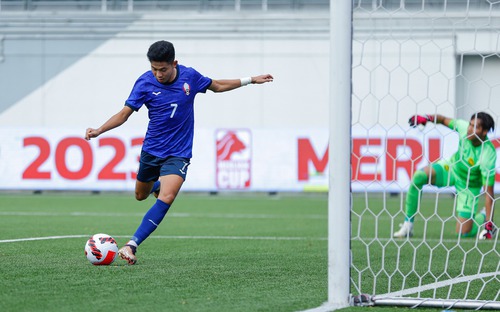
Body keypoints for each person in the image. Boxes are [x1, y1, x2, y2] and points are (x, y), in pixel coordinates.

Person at [85, 40, 273, 264]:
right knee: (140, 195)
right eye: (154, 69)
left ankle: (131, 245)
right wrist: (99, 130)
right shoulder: (144, 82)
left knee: (168, 196)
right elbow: (124, 113)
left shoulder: (189, 77)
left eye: (163, 69)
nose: (158, 74)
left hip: (179, 152)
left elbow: (217, 86)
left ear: (174, 63)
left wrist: (250, 80)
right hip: (152, 150)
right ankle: (157, 185)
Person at [394, 112, 497, 240]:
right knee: (419, 177)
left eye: (475, 127)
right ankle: (407, 225)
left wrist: (489, 224)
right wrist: (428, 118)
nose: (470, 129)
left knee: (463, 233)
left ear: (485, 132)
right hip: (452, 169)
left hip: (469, 187)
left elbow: (489, 193)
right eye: (470, 125)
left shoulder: (488, 154)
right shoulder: (463, 127)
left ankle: (481, 216)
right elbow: (443, 119)